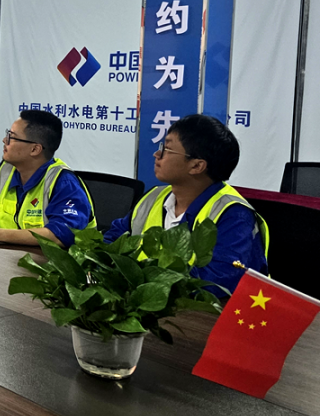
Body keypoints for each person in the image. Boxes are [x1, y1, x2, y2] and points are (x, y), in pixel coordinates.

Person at [104, 113, 269, 295]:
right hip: (140, 302)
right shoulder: (154, 197)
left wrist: (140, 281)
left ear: (197, 166)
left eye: (167, 149)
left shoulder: (233, 216)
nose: (157, 154)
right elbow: (113, 242)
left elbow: (215, 285)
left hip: (198, 311)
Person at [0, 109, 94, 247]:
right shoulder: (4, 170)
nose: (4, 140)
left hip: (56, 259)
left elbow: (60, 235)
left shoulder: (64, 182)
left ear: (35, 149)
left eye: (11, 137)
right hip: (11, 255)